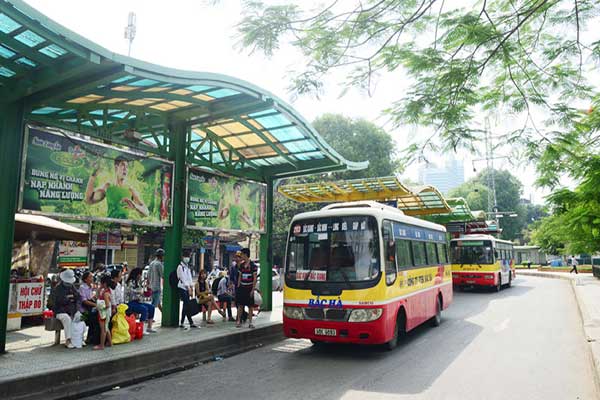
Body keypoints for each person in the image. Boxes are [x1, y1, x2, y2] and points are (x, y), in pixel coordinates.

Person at [84, 155, 149, 219]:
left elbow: (146, 213)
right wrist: (92, 177)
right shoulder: (108, 186)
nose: (125, 169)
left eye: (127, 166)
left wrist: (136, 207)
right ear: (116, 168)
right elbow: (89, 200)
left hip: (125, 226)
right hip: (110, 226)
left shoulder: (130, 190)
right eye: (122, 165)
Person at [51, 269, 81, 349]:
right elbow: (59, 301)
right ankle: (68, 340)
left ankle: (78, 338)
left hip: (71, 310)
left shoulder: (72, 286)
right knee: (67, 319)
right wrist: (69, 298)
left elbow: (78, 297)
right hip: (60, 311)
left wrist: (71, 299)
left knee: (79, 317)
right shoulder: (58, 288)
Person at [125, 267, 157, 334]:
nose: (141, 276)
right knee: (144, 309)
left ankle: (149, 327)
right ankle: (141, 328)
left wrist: (147, 290)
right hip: (130, 302)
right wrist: (141, 292)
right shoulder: (130, 282)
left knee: (151, 307)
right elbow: (132, 291)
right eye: (140, 274)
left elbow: (142, 293)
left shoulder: (138, 282)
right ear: (137, 274)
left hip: (138, 302)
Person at [236, 248, 258, 329]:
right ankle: (238, 321)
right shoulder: (241, 265)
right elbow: (240, 277)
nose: (241, 256)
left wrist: (253, 289)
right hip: (242, 287)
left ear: (245, 254)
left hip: (249, 288)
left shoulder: (253, 266)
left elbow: (255, 278)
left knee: (250, 306)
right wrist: (238, 287)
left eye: (241, 254)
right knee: (240, 305)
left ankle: (250, 322)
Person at [177, 250, 198, 329]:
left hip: (187, 288)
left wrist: (191, 287)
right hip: (182, 287)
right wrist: (188, 287)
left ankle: (183, 322)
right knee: (187, 304)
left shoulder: (187, 267)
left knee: (186, 305)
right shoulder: (180, 267)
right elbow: (182, 279)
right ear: (183, 257)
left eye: (188, 256)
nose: (187, 258)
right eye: (186, 256)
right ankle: (190, 322)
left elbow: (189, 278)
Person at [95, 275, 112, 350]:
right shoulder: (106, 291)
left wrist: (100, 307)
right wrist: (99, 289)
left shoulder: (105, 293)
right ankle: (110, 342)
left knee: (103, 329)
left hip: (104, 313)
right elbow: (97, 296)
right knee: (106, 328)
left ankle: (101, 345)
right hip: (105, 312)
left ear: (104, 283)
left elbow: (107, 305)